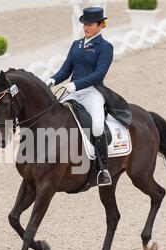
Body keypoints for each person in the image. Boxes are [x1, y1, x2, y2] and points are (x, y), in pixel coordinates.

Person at [45, 7, 113, 186]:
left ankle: (103, 168)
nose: (86, 27)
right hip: (72, 92)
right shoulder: (76, 44)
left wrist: (76, 84)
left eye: (90, 24)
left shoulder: (105, 47)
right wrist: (52, 80)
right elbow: (66, 69)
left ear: (100, 25)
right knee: (54, 117)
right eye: (84, 24)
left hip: (92, 93)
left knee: (97, 127)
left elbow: (99, 74)